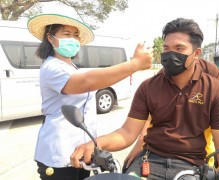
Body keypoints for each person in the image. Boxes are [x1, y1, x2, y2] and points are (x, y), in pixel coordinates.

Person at [70, 18, 219, 180]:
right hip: (149, 160)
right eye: (166, 48)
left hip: (192, 165)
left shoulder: (215, 90)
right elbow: (127, 133)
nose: (171, 55)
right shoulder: (148, 87)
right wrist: (96, 143)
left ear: (196, 53)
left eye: (179, 49)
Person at [27, 13, 153, 180]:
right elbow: (86, 81)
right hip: (59, 153)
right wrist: (134, 64)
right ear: (50, 38)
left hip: (82, 151)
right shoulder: (51, 67)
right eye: (66, 34)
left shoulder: (71, 67)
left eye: (75, 35)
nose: (72, 39)